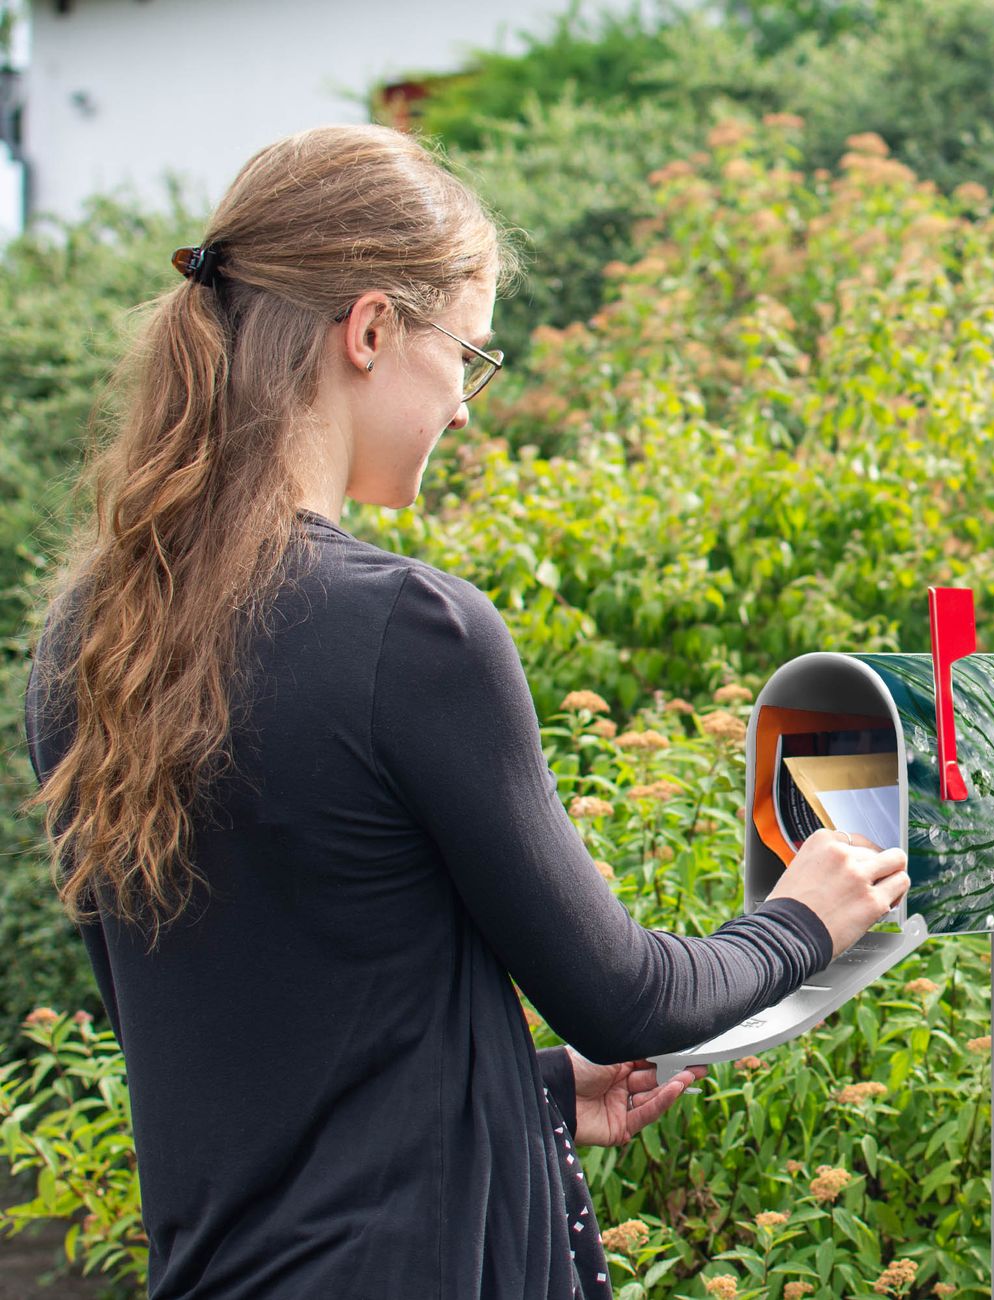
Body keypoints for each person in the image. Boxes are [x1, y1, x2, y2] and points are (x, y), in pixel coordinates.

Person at [20, 123, 910, 1299]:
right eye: (467, 356)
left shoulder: (87, 640)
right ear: (371, 329)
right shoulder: (405, 631)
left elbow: (240, 1046)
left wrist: (526, 1089)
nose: (465, 409)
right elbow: (629, 995)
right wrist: (803, 918)